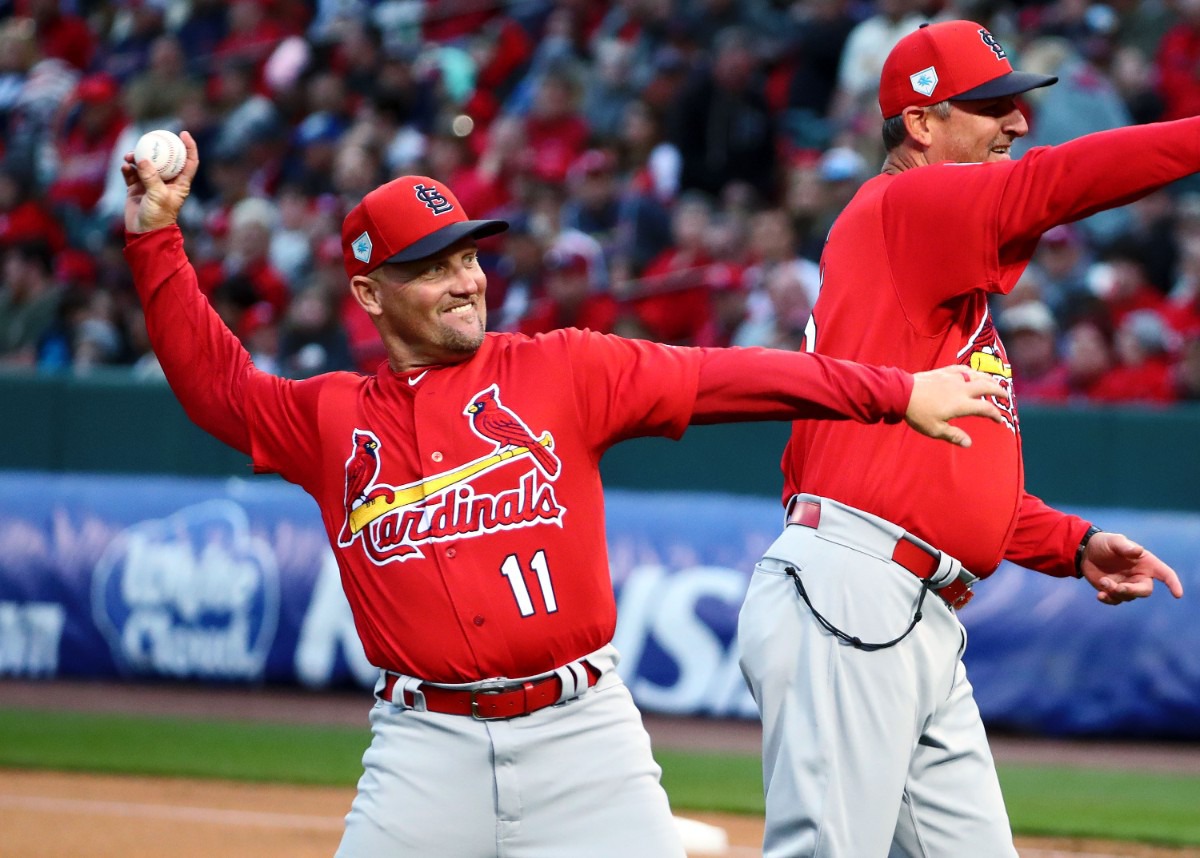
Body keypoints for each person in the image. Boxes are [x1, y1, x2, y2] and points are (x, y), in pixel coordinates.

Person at [122, 131, 1008, 858]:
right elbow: (218, 389)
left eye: (468, 255)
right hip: (422, 747)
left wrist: (895, 392)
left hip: (584, 738)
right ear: (368, 293)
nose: (466, 279)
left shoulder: (561, 368)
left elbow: (727, 379)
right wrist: (156, 235)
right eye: (432, 267)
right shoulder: (332, 416)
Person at [737, 20, 1187, 858]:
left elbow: (953, 484)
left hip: (913, 609)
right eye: (989, 106)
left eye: (1017, 103)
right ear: (920, 124)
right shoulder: (903, 205)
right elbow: (1062, 182)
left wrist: (1073, 543)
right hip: (855, 589)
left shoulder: (935, 286)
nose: (1017, 122)